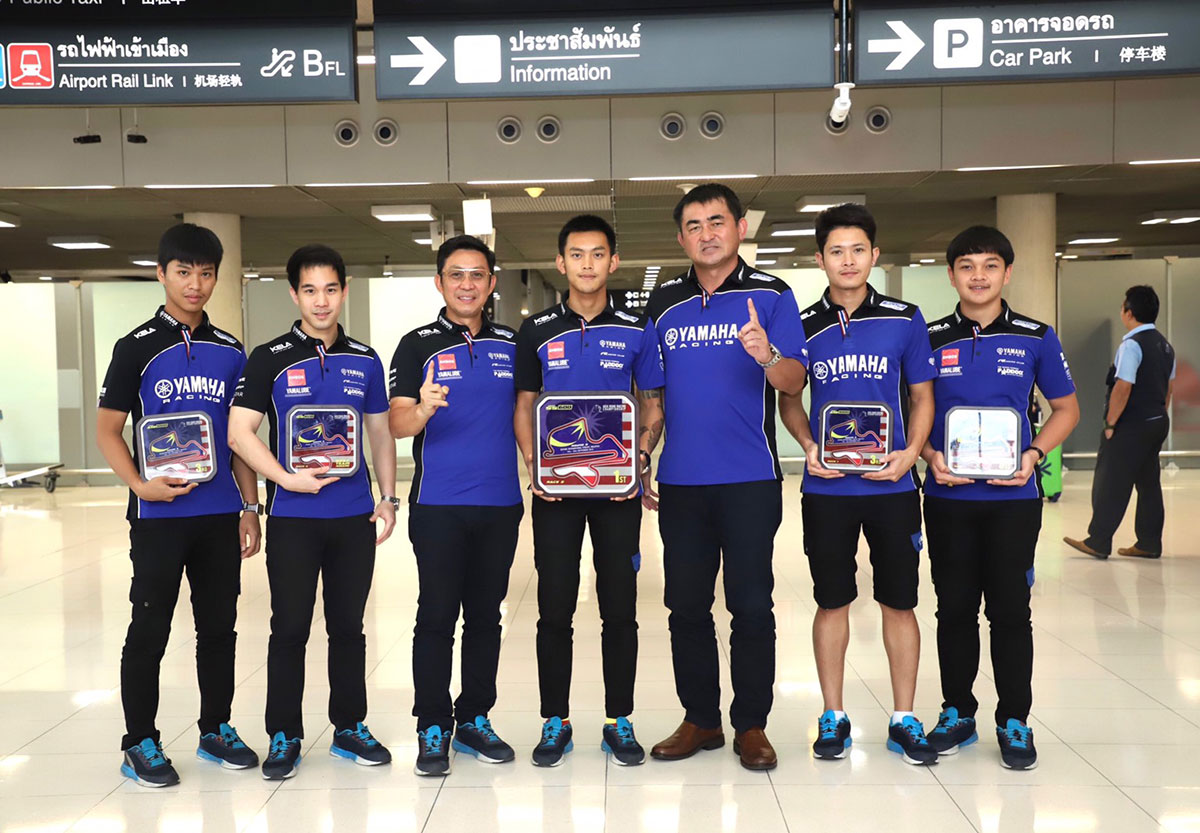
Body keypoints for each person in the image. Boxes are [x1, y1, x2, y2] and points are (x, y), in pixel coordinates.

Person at [645, 184, 807, 771]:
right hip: (682, 483)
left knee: (751, 605)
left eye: (717, 221)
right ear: (680, 237)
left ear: (740, 227)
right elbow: (653, 396)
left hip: (749, 478)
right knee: (686, 606)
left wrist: (767, 355)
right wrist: (641, 452)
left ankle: (752, 724)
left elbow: (794, 381)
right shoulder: (664, 303)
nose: (706, 234)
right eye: (694, 225)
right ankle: (701, 719)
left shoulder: (772, 294)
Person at [97, 223, 262, 787]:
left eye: (206, 273)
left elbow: (239, 438)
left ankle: (215, 729)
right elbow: (108, 430)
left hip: (218, 515)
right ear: (161, 273)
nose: (196, 284)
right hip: (159, 517)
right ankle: (139, 740)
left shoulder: (231, 351)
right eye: (184, 271)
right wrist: (139, 485)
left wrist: (249, 506)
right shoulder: (135, 347)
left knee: (219, 629)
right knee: (150, 629)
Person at [228, 244, 397, 780]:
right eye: (309, 290)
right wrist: (284, 480)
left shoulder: (365, 359)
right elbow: (239, 433)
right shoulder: (269, 357)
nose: (321, 301)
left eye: (330, 289)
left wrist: (388, 497)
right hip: (294, 519)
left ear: (343, 291)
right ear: (294, 294)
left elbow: (380, 432)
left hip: (353, 518)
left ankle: (349, 727)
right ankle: (284, 733)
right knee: (290, 628)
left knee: (349, 628)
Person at [778, 203, 938, 766]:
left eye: (858, 250)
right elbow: (789, 399)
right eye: (836, 251)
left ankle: (904, 717)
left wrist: (910, 454)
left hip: (892, 487)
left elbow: (922, 396)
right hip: (828, 490)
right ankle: (833, 715)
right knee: (831, 601)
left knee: (900, 601)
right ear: (819, 259)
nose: (848, 260)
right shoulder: (801, 326)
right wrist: (808, 446)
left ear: (875, 254)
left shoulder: (905, 318)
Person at [921, 226, 1079, 770]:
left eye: (990, 265)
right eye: (967, 266)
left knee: (1010, 610)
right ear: (951, 275)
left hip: (1014, 499)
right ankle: (957, 713)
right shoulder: (930, 337)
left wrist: (1033, 454)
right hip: (948, 497)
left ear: (1007, 273)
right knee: (954, 608)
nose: (979, 276)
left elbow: (1066, 409)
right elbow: (913, 410)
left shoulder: (1036, 336)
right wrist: (929, 455)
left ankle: (1014, 719)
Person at [514, 214, 665, 767]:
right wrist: (536, 466)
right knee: (554, 609)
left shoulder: (636, 327)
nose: (587, 264)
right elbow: (525, 407)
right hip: (555, 495)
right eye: (576, 254)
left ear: (613, 261)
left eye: (598, 254)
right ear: (560, 263)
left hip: (617, 494)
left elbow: (651, 404)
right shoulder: (535, 331)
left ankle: (618, 719)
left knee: (619, 610)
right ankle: (554, 720)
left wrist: (638, 460)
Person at [388, 235, 523, 776]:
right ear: (439, 282)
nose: (467, 284)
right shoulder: (415, 345)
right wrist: (422, 408)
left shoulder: (513, 343)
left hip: (500, 503)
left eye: (477, 275)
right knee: (437, 615)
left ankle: (473, 719)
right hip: (438, 505)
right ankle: (432, 724)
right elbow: (398, 423)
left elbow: (529, 413)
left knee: (487, 617)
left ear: (492, 283)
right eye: (456, 275)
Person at [1064, 285, 1176, 560]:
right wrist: (1157, 414)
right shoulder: (1165, 346)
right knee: (1148, 483)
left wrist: (1111, 423)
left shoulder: (1132, 345)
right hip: (1157, 420)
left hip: (1132, 425)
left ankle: (1098, 541)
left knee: (1111, 480)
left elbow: (1123, 387)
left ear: (1129, 312)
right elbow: (1168, 388)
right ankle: (1149, 542)